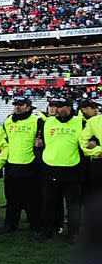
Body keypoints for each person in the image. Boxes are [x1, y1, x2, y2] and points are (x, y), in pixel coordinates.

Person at [36, 98, 84, 242]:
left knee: (72, 204)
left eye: (59, 106)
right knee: (49, 203)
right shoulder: (47, 122)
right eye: (54, 106)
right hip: (50, 168)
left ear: (69, 108)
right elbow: (40, 143)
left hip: (72, 168)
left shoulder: (80, 122)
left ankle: (74, 232)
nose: (56, 109)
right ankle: (48, 230)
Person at [3, 98, 43, 234]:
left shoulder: (37, 120)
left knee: (32, 199)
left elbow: (42, 141)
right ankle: (10, 225)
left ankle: (35, 226)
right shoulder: (8, 121)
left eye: (21, 105)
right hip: (12, 164)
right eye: (16, 105)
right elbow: (5, 140)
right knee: (11, 199)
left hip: (30, 164)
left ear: (28, 107)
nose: (18, 107)